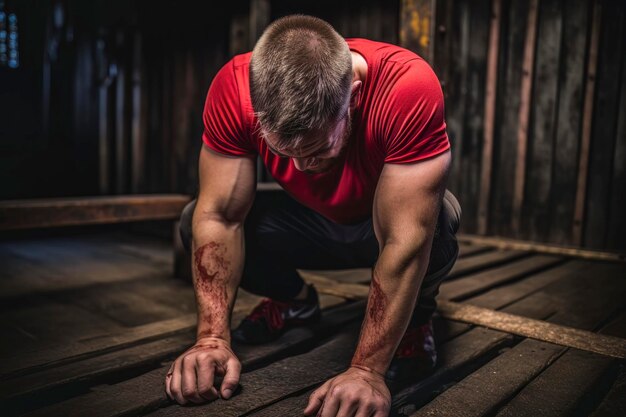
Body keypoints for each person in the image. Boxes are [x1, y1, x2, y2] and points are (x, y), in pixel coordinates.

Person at [165, 14, 461, 417]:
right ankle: (295, 301)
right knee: (193, 219)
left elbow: (404, 242)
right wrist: (210, 340)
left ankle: (413, 323)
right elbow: (220, 218)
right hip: (309, 223)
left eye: (318, 149)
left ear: (353, 96)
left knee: (438, 222)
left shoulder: (406, 86)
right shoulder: (234, 87)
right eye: (287, 154)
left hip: (381, 227)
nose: (302, 168)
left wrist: (365, 371)